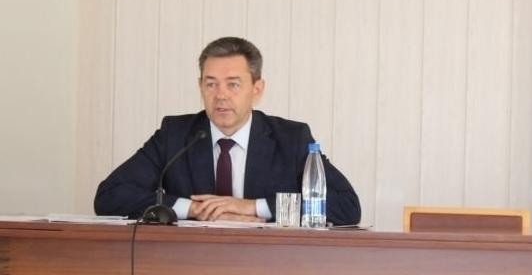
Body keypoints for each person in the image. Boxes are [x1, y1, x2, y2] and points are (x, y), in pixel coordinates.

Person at [94, 36, 361, 225]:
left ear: (257, 89)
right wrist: (194, 208)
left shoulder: (291, 139)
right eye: (211, 84)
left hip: (270, 268)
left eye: (233, 84)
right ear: (200, 87)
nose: (220, 95)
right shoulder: (175, 135)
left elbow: (346, 205)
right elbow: (109, 196)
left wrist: (253, 207)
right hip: (188, 267)